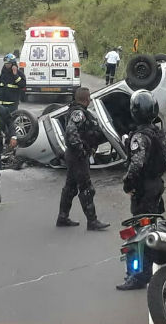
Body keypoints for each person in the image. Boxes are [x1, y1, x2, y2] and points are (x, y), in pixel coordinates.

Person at [116, 90, 166, 291]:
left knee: (138, 232)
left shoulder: (140, 136)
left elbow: (136, 164)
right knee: (152, 226)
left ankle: (138, 276)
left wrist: (128, 184)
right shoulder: (157, 132)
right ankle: (151, 266)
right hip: (156, 185)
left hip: (144, 188)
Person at [56, 87, 110, 231]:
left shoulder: (78, 111)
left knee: (70, 187)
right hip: (77, 156)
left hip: (74, 155)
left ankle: (62, 217)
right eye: (89, 98)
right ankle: (92, 221)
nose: (91, 100)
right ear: (86, 99)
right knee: (86, 188)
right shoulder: (78, 113)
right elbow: (71, 133)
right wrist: (82, 151)